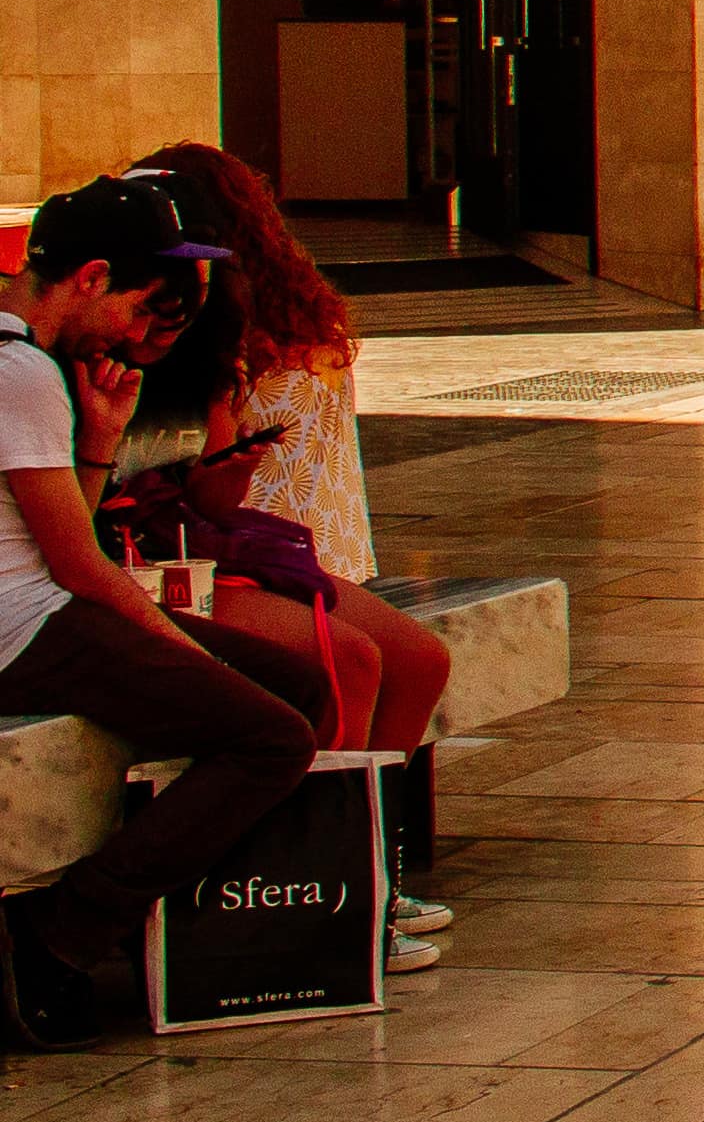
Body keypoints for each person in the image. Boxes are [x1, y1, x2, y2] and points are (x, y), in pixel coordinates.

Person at [0, 174, 336, 1047]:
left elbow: (60, 533)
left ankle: (176, 932)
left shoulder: (29, 366)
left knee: (299, 684)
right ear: (93, 278)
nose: (141, 336)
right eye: (143, 306)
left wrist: (101, 441)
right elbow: (77, 564)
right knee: (274, 735)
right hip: (21, 627)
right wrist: (177, 649)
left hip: (43, 606)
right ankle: (55, 940)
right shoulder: (21, 371)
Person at [124, 149, 457, 803]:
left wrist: (230, 459)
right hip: (180, 556)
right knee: (352, 660)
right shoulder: (118, 342)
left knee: (422, 658)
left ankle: (368, 867)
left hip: (251, 545)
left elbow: (216, 497)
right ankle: (315, 876)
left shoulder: (219, 334)